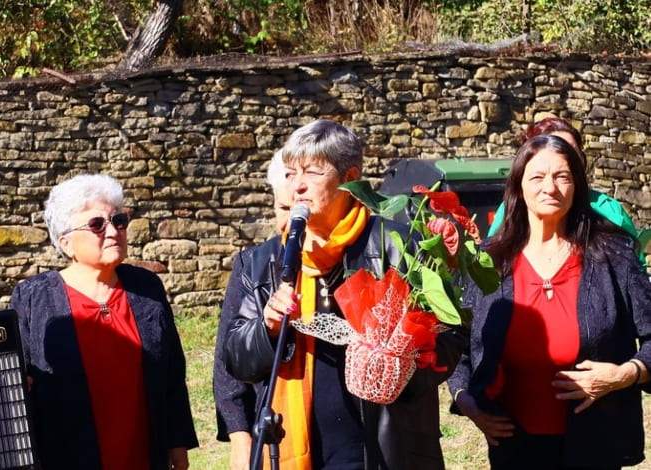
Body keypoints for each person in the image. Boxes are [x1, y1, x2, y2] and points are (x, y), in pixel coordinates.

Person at [223, 119, 467, 470]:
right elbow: (236, 361)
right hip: (295, 448)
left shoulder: (399, 247)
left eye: (312, 172)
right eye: (291, 174)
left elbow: (451, 335)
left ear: (350, 177)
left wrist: (403, 366)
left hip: (386, 451)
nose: (297, 187)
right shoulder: (262, 262)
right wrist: (268, 327)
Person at [447, 134, 651, 469]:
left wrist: (625, 374)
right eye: (537, 177)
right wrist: (466, 400)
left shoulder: (614, 254)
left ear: (577, 186)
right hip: (514, 449)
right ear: (519, 186)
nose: (550, 188)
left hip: (596, 446)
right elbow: (459, 348)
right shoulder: (488, 261)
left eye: (562, 177)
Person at [10, 173, 198, 470]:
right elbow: (20, 387)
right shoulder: (34, 298)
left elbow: (172, 370)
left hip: (143, 454)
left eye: (118, 220)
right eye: (97, 224)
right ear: (66, 243)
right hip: (68, 457)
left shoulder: (146, 288)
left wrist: (177, 442)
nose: (113, 231)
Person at [213, 151, 292, 470]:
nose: (291, 220)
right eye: (282, 208)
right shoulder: (255, 265)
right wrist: (240, 438)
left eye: (299, 208)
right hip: (272, 426)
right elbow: (226, 362)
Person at [488, 117, 639, 240]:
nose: (565, 160)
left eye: (572, 152)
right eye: (556, 149)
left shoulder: (609, 210)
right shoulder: (512, 210)